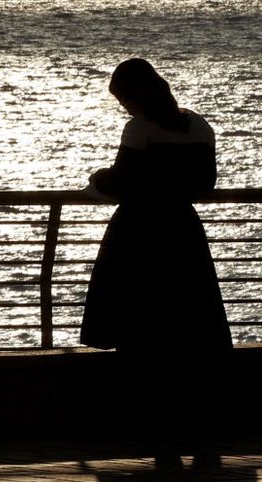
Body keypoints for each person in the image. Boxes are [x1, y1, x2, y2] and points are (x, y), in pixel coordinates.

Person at [79, 58, 232, 453]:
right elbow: (206, 182)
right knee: (190, 325)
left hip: (140, 231)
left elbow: (123, 179)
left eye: (124, 100)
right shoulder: (199, 125)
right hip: (182, 231)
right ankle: (198, 421)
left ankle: (155, 421)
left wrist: (97, 177)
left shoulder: (139, 128)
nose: (124, 108)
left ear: (135, 97)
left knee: (142, 326)